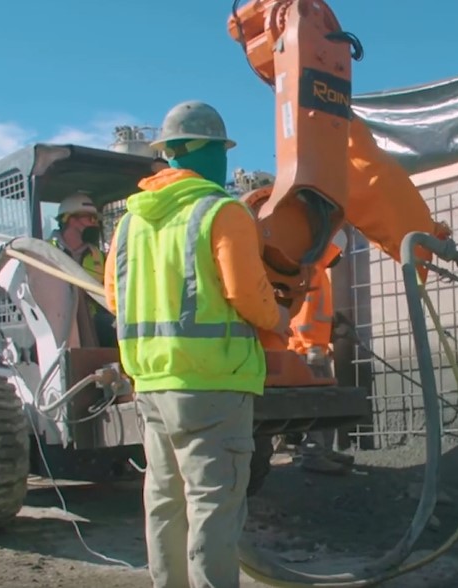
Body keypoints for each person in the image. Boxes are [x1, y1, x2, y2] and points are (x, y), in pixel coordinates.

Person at [103, 100, 291, 588]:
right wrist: (279, 316)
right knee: (213, 504)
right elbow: (246, 293)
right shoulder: (221, 212)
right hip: (213, 383)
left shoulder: (128, 223)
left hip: (151, 383)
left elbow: (113, 298)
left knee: (165, 502)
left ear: (169, 155)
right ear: (213, 153)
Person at [286, 229, 356, 475]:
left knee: (328, 401)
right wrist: (311, 346)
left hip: (315, 347)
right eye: (338, 253)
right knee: (318, 402)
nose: (338, 259)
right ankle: (314, 453)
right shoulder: (313, 271)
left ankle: (323, 449)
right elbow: (303, 315)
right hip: (308, 350)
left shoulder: (316, 270)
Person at [48, 191, 117, 347]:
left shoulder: (98, 256)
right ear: (70, 219)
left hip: (92, 321)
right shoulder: (45, 253)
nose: (95, 224)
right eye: (90, 219)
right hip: (57, 322)